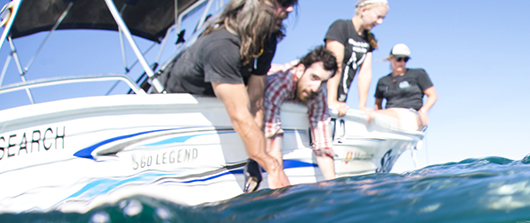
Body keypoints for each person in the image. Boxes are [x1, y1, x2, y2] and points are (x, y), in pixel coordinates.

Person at [163, 0, 295, 190]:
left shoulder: (267, 40)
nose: (289, 9)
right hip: (180, 101)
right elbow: (240, 116)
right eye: (283, 3)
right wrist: (272, 166)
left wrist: (254, 157)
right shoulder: (221, 46)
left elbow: (256, 99)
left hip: (227, 97)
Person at [263, 46, 339, 181]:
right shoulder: (280, 82)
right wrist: (278, 179)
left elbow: (323, 146)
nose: (316, 87)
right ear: (300, 70)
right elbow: (271, 134)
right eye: (313, 77)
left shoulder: (318, 91)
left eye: (323, 82)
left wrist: (333, 185)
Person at [323, 0, 388, 117]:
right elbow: (333, 64)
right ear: (364, 10)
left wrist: (362, 106)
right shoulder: (341, 27)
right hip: (323, 96)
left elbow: (365, 74)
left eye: (383, 18)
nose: (380, 22)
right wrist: (331, 100)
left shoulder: (368, 39)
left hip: (341, 99)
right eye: (378, 17)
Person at [374, 43, 436, 131]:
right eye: (399, 59)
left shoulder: (418, 74)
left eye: (405, 59)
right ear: (390, 59)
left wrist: (423, 111)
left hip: (412, 115)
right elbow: (377, 104)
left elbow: (433, 95)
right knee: (370, 115)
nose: (402, 62)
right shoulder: (383, 81)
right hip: (389, 118)